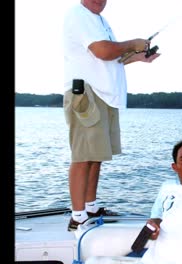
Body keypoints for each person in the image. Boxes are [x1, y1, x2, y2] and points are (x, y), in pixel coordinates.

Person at [63, 0, 161, 231]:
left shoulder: (100, 21)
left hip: (104, 96)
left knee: (95, 155)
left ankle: (91, 207)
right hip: (87, 93)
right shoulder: (78, 14)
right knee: (82, 156)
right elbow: (103, 51)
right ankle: (78, 218)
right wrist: (133, 43)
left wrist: (138, 56)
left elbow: (113, 59)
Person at [85, 137, 182, 264]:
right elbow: (155, 221)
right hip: (150, 263)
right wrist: (153, 228)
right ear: (175, 167)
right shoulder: (167, 188)